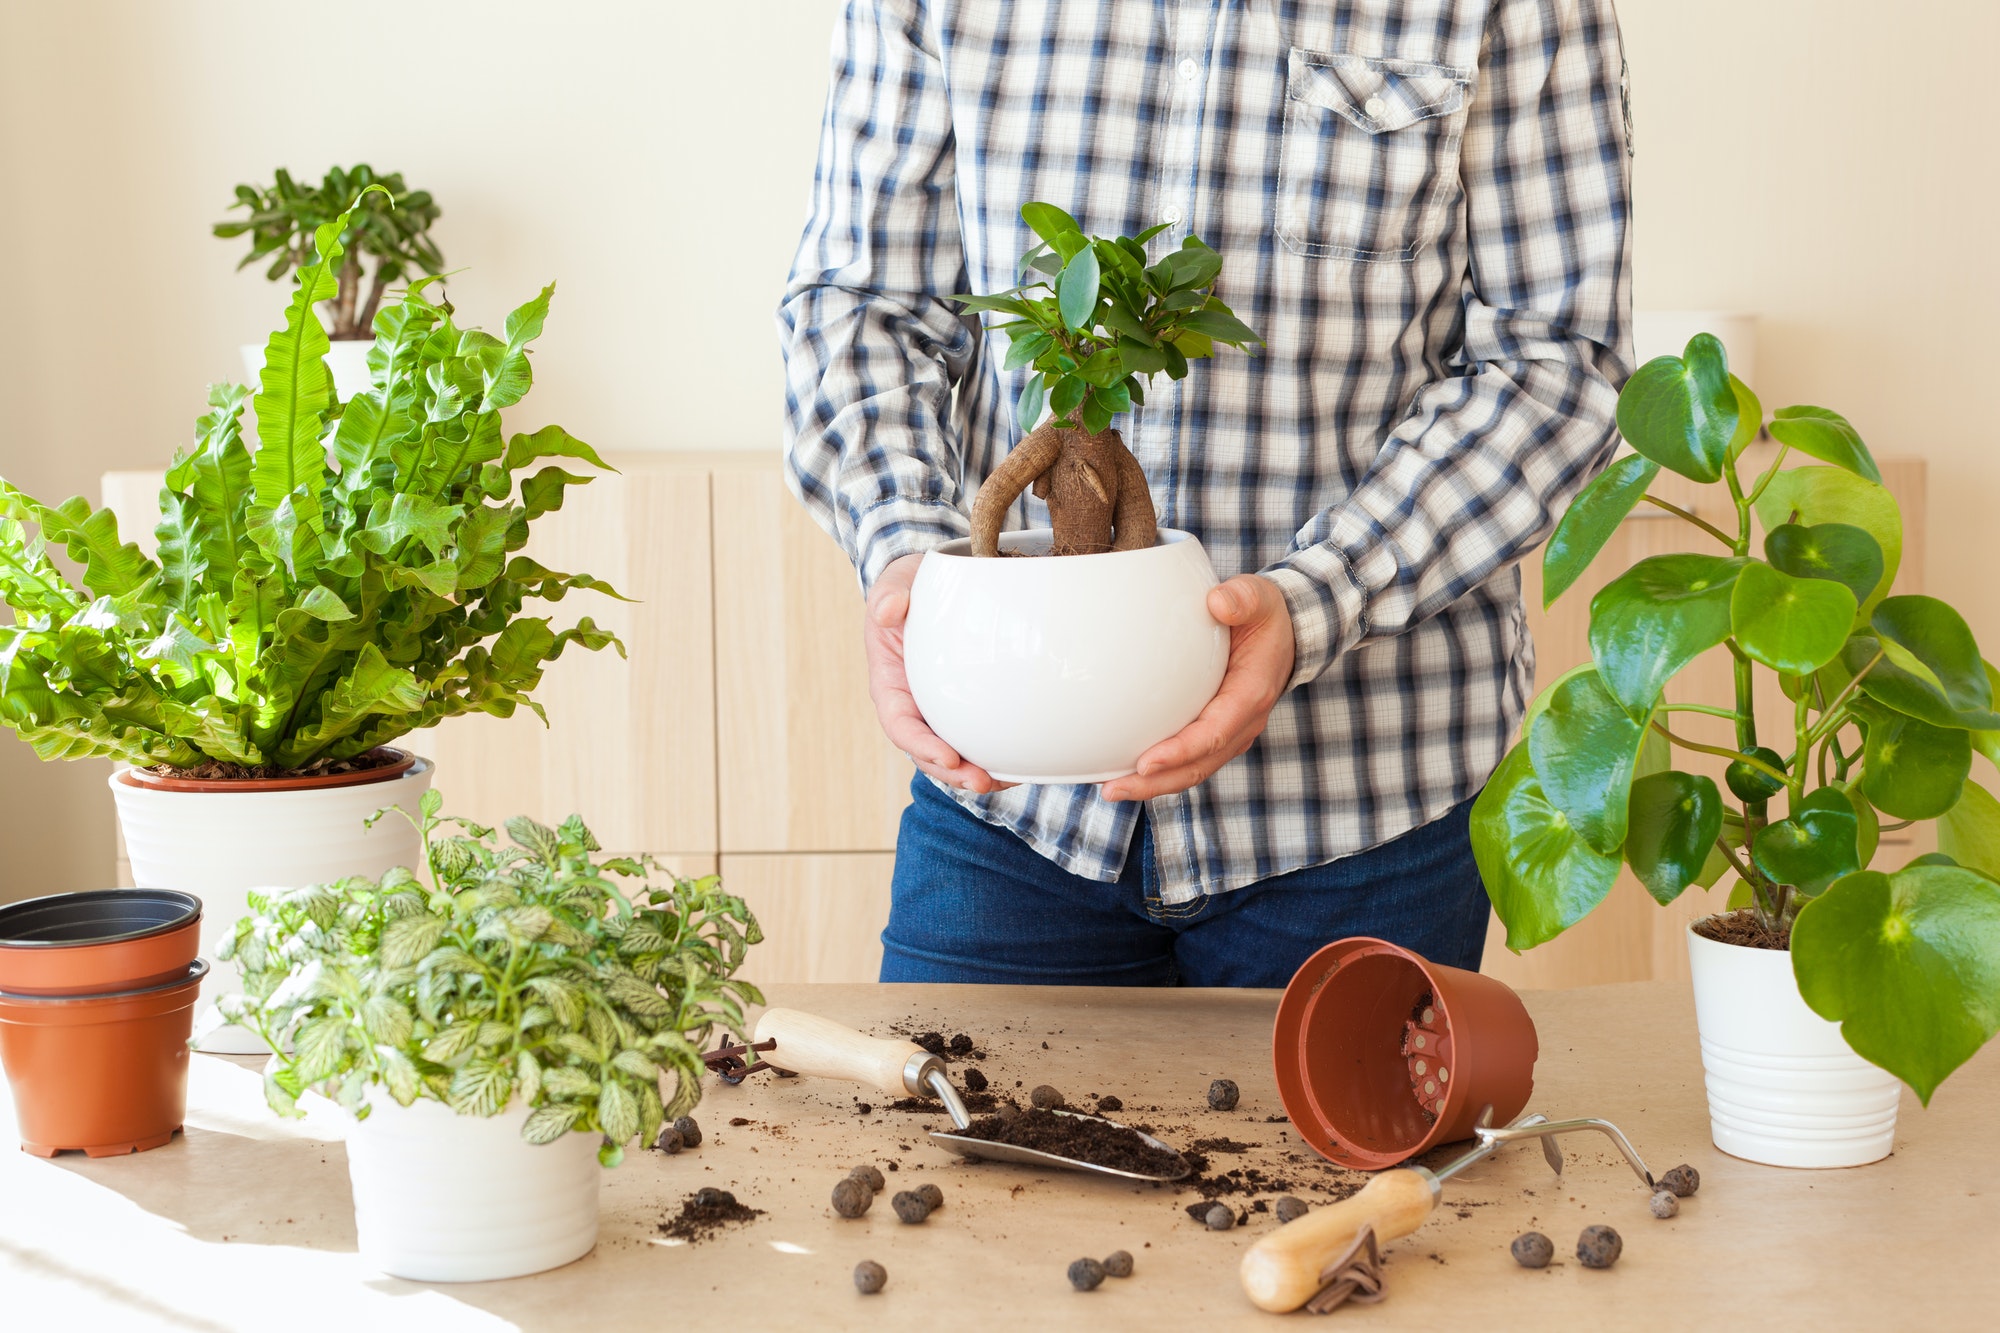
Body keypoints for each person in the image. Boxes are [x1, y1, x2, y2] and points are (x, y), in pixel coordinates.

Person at [778, 0, 1633, 987]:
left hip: (1361, 805)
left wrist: (1315, 598)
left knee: (1343, 1154)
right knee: (950, 1143)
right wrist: (911, 569)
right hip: (1012, 807)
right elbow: (860, 305)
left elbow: (1557, 361)